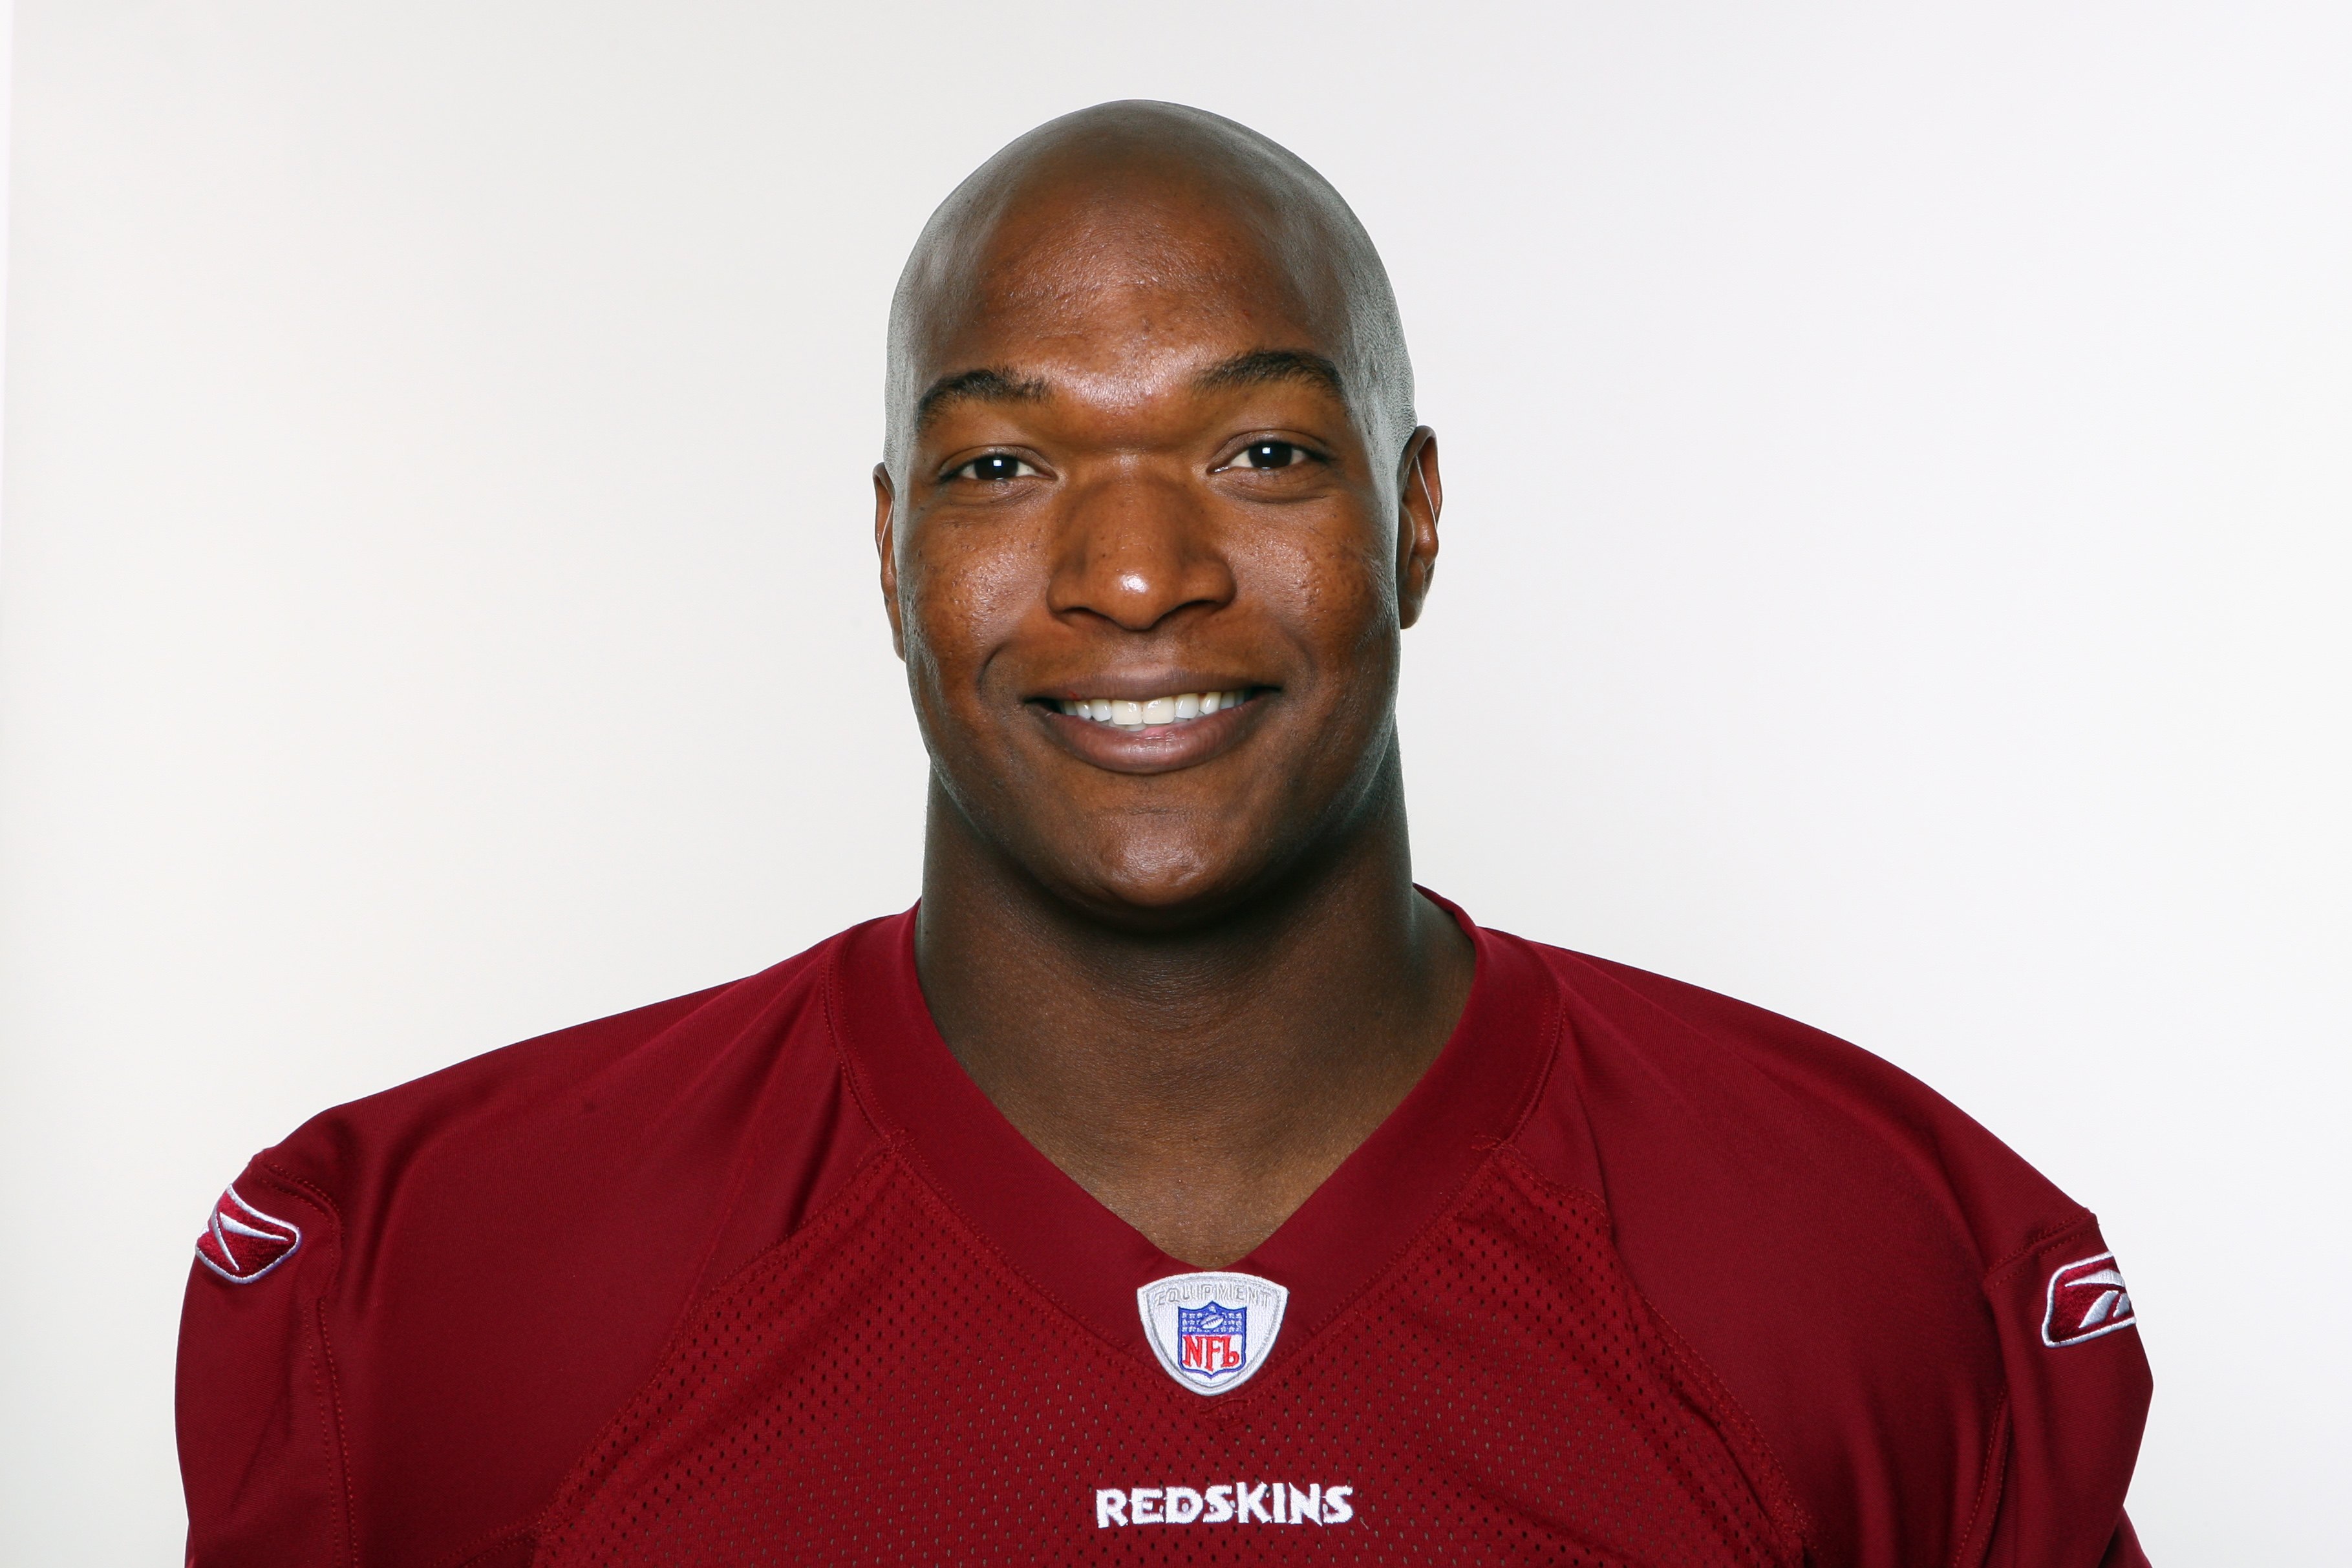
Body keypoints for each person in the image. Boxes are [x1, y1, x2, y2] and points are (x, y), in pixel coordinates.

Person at [177, 101, 2152, 1567]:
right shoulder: (436, 1277)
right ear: (891, 549)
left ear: (1417, 518)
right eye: (1009, 461)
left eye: (1264, 452)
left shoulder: (1884, 1262)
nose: (1134, 572)